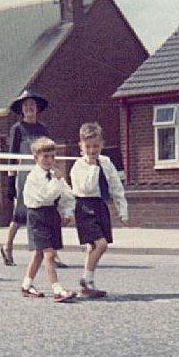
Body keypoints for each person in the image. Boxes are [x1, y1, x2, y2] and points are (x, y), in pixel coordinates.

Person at [0, 90, 66, 268]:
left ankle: (52, 253)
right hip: (24, 174)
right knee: (21, 213)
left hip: (42, 171)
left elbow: (48, 151)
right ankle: (7, 246)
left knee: (48, 209)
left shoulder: (43, 129)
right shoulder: (17, 129)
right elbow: (12, 155)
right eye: (25, 106)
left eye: (32, 105)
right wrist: (10, 180)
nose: (29, 108)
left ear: (37, 108)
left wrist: (53, 170)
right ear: (21, 109)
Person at [69, 122, 128, 297]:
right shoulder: (78, 166)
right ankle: (86, 278)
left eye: (95, 146)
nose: (92, 150)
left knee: (92, 247)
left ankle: (88, 285)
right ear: (81, 145)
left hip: (100, 205)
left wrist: (122, 209)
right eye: (88, 146)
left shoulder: (107, 162)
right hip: (85, 206)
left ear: (102, 144)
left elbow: (116, 186)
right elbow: (86, 188)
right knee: (101, 245)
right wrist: (92, 166)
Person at [21, 137, 76, 302]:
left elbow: (67, 194)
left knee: (39, 253)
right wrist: (58, 180)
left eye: (52, 156)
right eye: (45, 157)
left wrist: (67, 212)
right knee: (49, 254)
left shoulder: (54, 175)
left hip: (51, 214)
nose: (49, 160)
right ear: (36, 158)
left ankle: (26, 285)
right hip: (37, 215)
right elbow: (46, 196)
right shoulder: (34, 177)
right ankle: (57, 289)